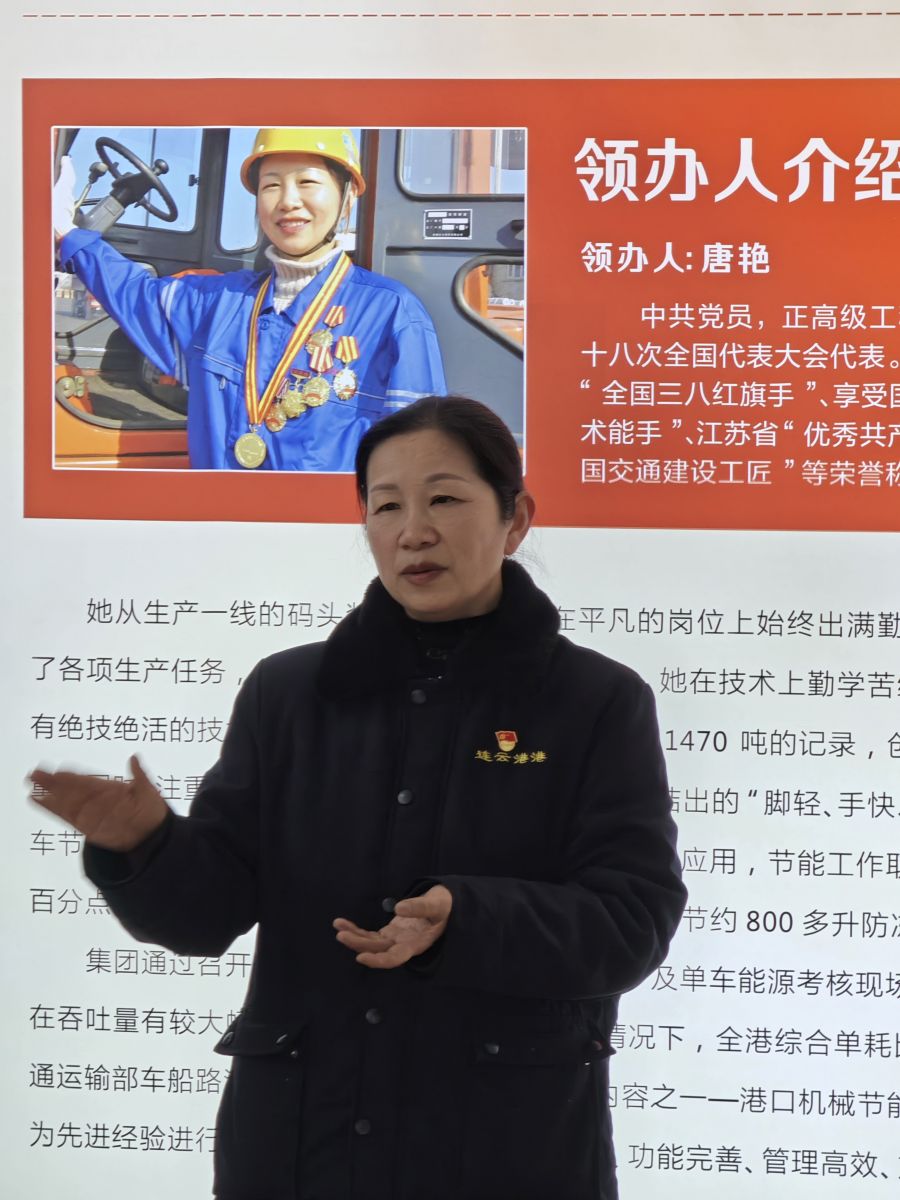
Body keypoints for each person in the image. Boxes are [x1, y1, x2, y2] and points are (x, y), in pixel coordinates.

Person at [30, 395, 686, 1200]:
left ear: (515, 519)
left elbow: (631, 922)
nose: (414, 531)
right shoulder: (288, 693)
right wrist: (147, 846)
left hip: (507, 1147)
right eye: (387, 506)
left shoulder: (595, 702)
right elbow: (206, 915)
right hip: (301, 1146)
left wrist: (465, 919)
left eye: (445, 499)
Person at [53, 128, 446, 470]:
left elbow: (420, 455)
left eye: (307, 182)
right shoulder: (218, 301)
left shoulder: (393, 314)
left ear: (347, 198)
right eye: (271, 186)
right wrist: (67, 234)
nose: (288, 201)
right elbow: (134, 294)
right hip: (219, 521)